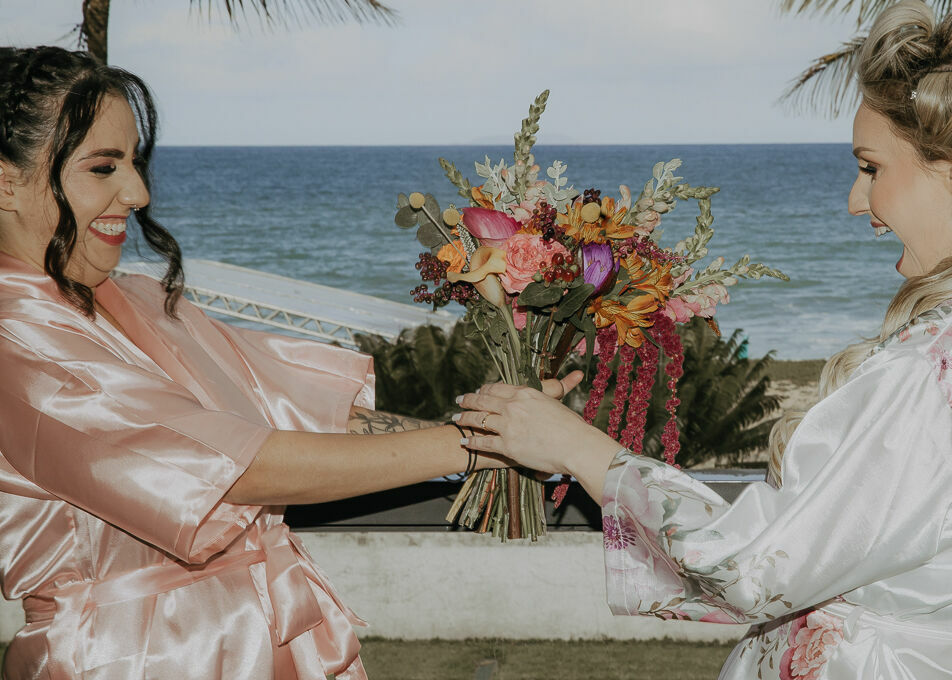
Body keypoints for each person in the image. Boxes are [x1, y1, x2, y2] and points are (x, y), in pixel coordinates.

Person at [456, 1, 952, 677]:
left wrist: (573, 446)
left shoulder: (947, 361)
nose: (854, 200)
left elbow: (755, 565)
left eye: (871, 167)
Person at [0, 46, 577, 679]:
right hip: (133, 658)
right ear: (6, 181)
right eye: (103, 167)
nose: (136, 192)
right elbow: (236, 469)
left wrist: (514, 424)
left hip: (251, 643)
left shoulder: (129, 299)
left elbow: (305, 418)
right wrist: (473, 447)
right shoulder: (18, 342)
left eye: (134, 163)